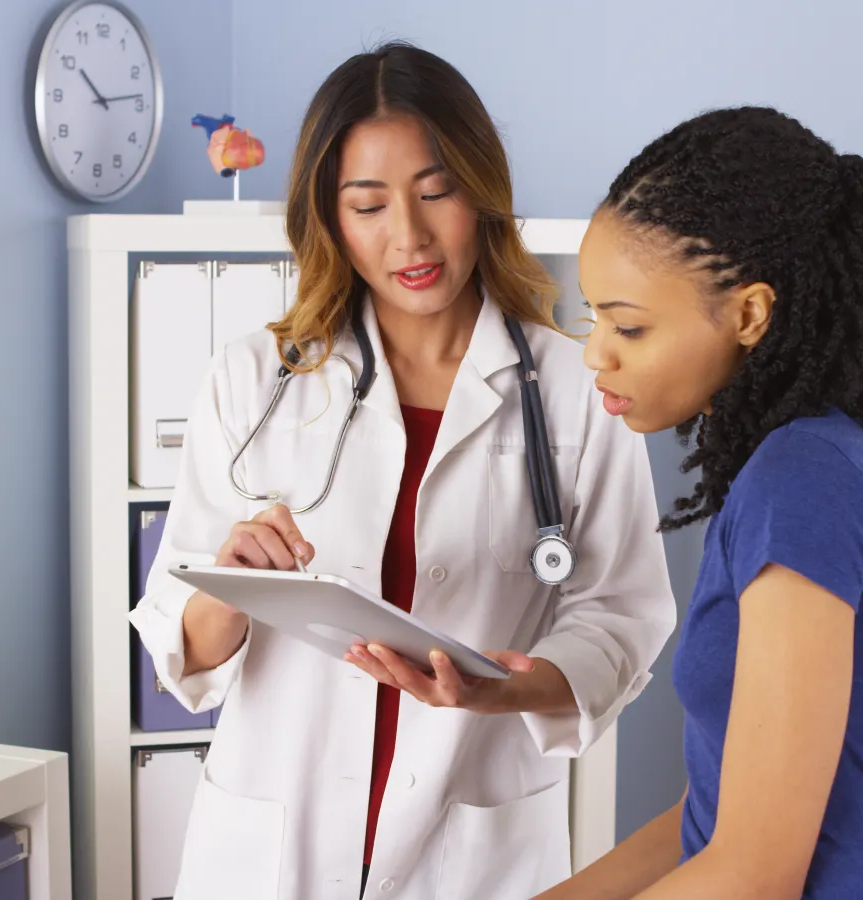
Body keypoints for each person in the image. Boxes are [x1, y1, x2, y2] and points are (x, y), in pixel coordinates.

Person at [128, 42, 676, 900]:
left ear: (481, 192)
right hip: (276, 850)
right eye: (369, 204)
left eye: (436, 192)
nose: (409, 237)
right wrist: (226, 589)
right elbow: (180, 644)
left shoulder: (574, 389)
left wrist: (510, 690)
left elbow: (623, 612)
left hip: (474, 850)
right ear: (330, 217)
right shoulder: (252, 379)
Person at [539, 106, 863, 899]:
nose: (596, 352)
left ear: (750, 314)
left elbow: (754, 874)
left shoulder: (804, 479)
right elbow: (714, 815)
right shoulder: (787, 468)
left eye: (628, 325)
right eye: (593, 318)